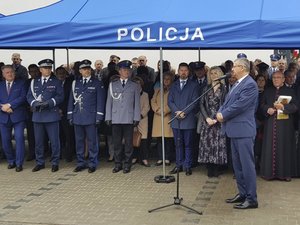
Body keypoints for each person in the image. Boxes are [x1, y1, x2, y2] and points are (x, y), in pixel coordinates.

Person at [217, 58, 258, 209]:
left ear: (243, 68)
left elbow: (240, 105)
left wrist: (224, 114)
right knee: (238, 166)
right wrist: (220, 112)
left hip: (244, 131)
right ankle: (242, 193)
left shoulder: (250, 85)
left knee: (247, 166)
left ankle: (251, 198)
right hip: (234, 130)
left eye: (235, 66)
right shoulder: (237, 84)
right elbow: (227, 102)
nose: (232, 68)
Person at [67, 60, 106, 173]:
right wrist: (70, 115)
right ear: (80, 71)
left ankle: (92, 162)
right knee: (79, 141)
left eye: (88, 69)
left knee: (92, 141)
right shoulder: (76, 83)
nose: (87, 71)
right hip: (78, 116)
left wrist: (99, 117)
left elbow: (100, 101)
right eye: (84, 69)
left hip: (91, 117)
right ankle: (80, 162)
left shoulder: (97, 83)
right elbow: (71, 100)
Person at [27, 59, 64, 172]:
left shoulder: (56, 81)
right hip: (38, 115)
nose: (47, 70)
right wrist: (34, 103)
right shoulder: (34, 82)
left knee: (54, 141)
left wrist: (49, 103)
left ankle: (55, 162)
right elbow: (29, 96)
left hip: (51, 115)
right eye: (45, 68)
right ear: (40, 69)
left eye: (49, 68)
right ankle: (40, 162)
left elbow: (60, 96)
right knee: (39, 141)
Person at [260, 71, 298, 181]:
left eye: (278, 77)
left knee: (284, 147)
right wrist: (267, 109)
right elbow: (261, 105)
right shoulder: (268, 91)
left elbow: (295, 106)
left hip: (285, 125)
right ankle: (269, 174)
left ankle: (285, 174)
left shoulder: (290, 91)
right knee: (270, 147)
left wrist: (283, 108)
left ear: (283, 79)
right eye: (274, 78)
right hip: (270, 124)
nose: (276, 79)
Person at [105, 60, 141, 174]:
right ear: (119, 71)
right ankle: (117, 164)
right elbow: (109, 102)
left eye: (128, 70)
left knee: (128, 144)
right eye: (124, 70)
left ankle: (127, 164)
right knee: (117, 143)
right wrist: (108, 117)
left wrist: (136, 118)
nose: (127, 72)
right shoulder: (112, 85)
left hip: (128, 118)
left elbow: (137, 103)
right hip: (116, 118)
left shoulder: (135, 85)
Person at [168, 62, 200, 176]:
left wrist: (184, 112)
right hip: (176, 119)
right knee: (178, 144)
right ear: (178, 71)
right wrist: (177, 111)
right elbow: (170, 101)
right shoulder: (174, 84)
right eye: (181, 70)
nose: (183, 72)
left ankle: (187, 165)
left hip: (188, 119)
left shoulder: (194, 85)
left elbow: (195, 101)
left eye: (185, 70)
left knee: (188, 144)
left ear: (189, 72)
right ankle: (178, 165)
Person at [197, 66, 227, 177]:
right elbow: (201, 104)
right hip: (208, 120)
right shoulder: (206, 88)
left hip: (219, 119)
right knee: (208, 144)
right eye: (211, 73)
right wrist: (207, 118)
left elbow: (225, 104)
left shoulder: (224, 88)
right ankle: (209, 167)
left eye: (216, 73)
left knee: (218, 144)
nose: (213, 75)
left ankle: (217, 168)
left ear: (220, 74)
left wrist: (217, 118)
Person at [0, 65, 27, 172]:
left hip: (18, 117)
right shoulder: (0, 85)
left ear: (14, 73)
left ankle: (19, 163)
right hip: (3, 117)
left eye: (11, 72)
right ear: (3, 74)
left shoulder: (21, 83)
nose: (9, 74)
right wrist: (3, 107)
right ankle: (11, 161)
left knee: (19, 139)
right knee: (6, 141)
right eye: (7, 72)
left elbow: (23, 97)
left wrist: (10, 105)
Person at [151, 71, 174, 166]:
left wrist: (165, 110)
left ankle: (167, 158)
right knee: (159, 139)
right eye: (164, 79)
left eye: (168, 79)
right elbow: (153, 101)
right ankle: (160, 158)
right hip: (158, 117)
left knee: (168, 139)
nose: (166, 81)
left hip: (167, 116)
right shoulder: (158, 90)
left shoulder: (173, 90)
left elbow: (174, 102)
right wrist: (157, 109)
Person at [131, 77, 150, 166]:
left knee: (143, 140)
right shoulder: (130, 94)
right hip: (132, 119)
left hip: (143, 119)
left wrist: (140, 115)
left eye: (138, 83)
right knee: (134, 139)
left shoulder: (145, 95)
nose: (137, 85)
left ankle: (144, 158)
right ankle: (134, 157)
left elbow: (147, 107)